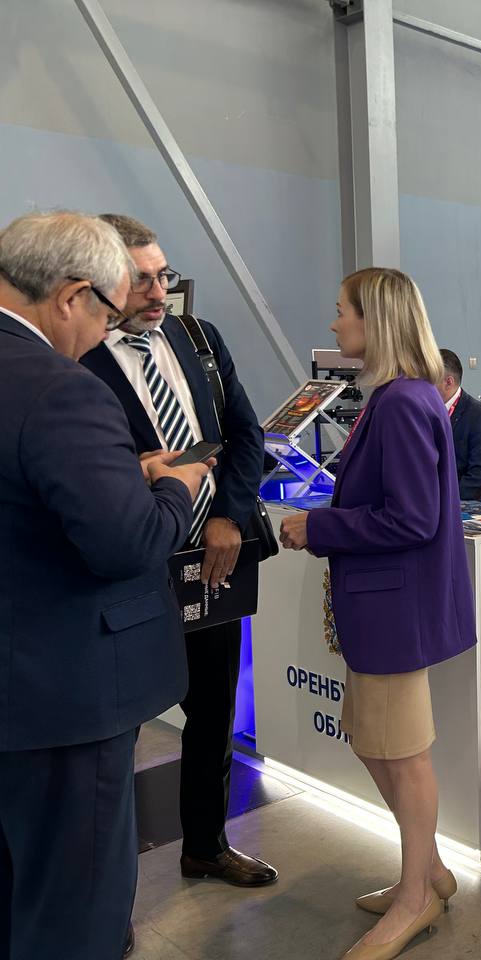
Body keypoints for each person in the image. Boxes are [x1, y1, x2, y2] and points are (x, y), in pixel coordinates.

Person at [0, 211, 210, 960]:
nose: (102, 336)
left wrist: (120, 477)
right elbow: (127, 545)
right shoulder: (63, 390)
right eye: (106, 315)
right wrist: (176, 487)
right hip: (63, 695)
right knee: (75, 912)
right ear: (70, 296)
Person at [278, 267, 476, 960]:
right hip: (384, 607)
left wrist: (319, 527)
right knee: (372, 740)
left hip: (395, 609)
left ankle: (416, 897)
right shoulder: (397, 397)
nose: (334, 323)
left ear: (376, 319)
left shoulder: (401, 403)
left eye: (342, 311)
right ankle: (429, 872)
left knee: (401, 753)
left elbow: (413, 518)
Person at [81, 214, 277, 890]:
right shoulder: (76, 355)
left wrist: (228, 517)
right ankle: (109, 895)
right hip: (132, 569)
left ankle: (206, 846)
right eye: (140, 280)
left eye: (163, 275)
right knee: (120, 732)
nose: (157, 291)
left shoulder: (199, 338)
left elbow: (246, 435)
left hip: (210, 565)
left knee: (214, 711)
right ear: (101, 281)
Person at [438, 348, 481, 503]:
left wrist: (440, 500)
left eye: (428, 381)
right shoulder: (427, 413)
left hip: (478, 508)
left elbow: (480, 477)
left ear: (448, 382)